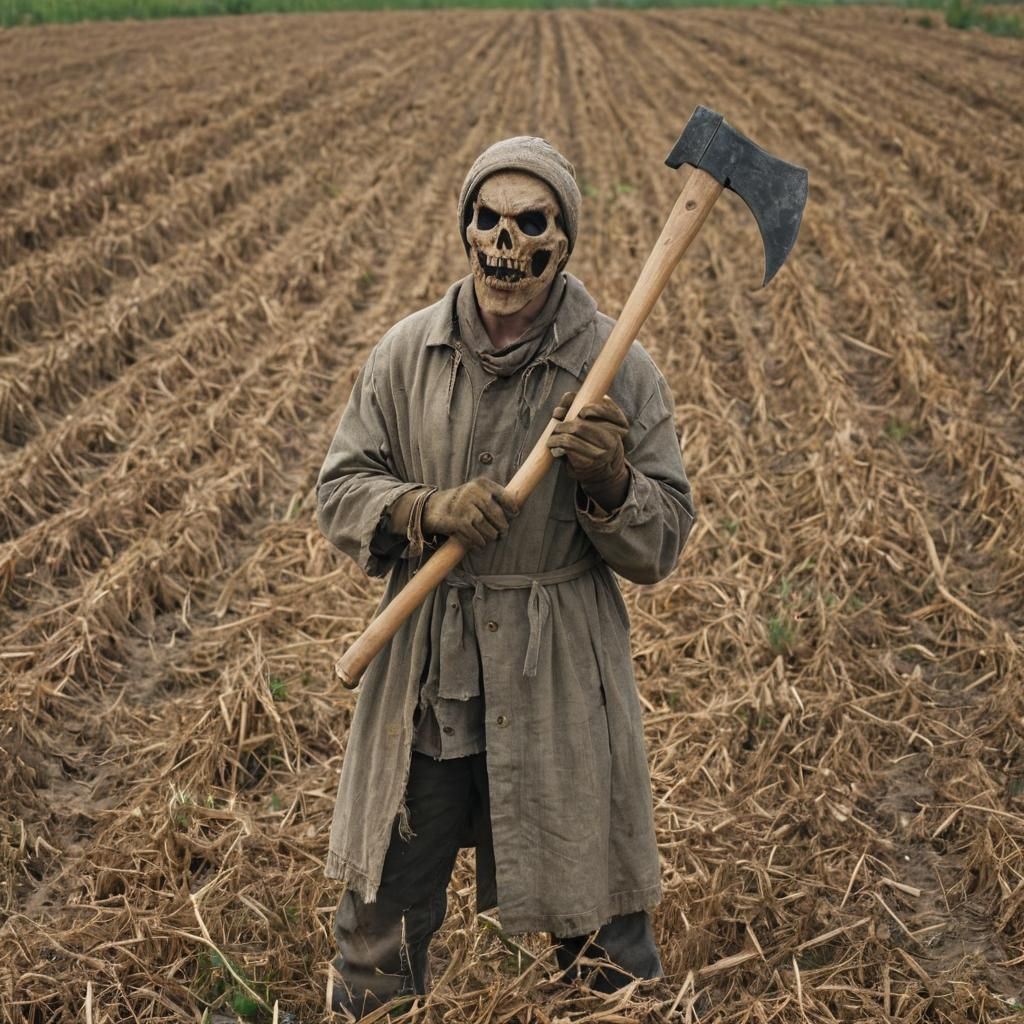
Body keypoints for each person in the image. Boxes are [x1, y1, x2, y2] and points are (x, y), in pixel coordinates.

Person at [316, 136, 695, 1016]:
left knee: (602, 926)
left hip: (560, 672)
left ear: (563, 243)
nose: (504, 242)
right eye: (487, 219)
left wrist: (611, 485)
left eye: (531, 223)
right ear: (464, 228)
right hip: (427, 678)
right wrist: (422, 510)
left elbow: (663, 541)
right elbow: (340, 490)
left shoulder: (618, 369)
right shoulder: (406, 354)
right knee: (380, 923)